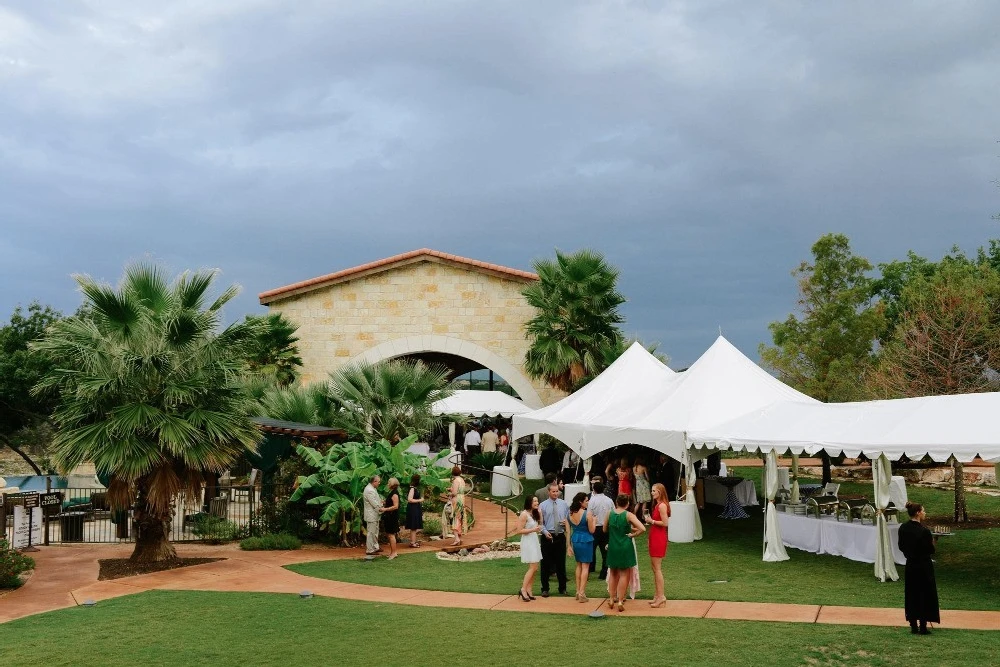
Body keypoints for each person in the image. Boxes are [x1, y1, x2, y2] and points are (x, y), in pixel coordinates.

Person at [898, 502, 941, 634]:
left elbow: (901, 546)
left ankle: (913, 624)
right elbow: (930, 549)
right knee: (925, 593)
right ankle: (923, 625)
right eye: (923, 510)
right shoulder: (924, 531)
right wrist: (935, 540)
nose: (925, 513)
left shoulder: (903, 528)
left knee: (912, 593)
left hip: (911, 565)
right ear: (918, 513)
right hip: (923, 566)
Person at [606, 493, 645, 612]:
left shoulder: (609, 513)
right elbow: (642, 528)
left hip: (613, 545)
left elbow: (604, 528)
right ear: (627, 504)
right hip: (625, 546)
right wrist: (633, 534)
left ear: (616, 502)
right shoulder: (629, 515)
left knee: (613, 573)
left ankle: (611, 598)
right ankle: (620, 600)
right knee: (624, 574)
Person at [538, 482, 570, 597]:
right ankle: (545, 589)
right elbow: (540, 523)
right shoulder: (542, 505)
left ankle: (563, 588)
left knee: (561, 564)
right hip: (547, 536)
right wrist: (545, 532)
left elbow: (568, 519)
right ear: (549, 492)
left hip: (560, 536)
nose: (556, 493)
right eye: (553, 491)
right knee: (545, 564)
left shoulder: (564, 504)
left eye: (557, 491)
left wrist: (565, 523)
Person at [644, 483, 670, 607]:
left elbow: (665, 523)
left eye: (654, 491)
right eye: (652, 490)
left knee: (657, 568)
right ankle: (657, 595)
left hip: (659, 538)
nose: (652, 492)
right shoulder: (658, 505)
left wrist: (651, 521)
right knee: (654, 568)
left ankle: (661, 596)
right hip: (655, 537)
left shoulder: (662, 506)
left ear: (660, 492)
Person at [568, 492, 596, 602]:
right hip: (586, 540)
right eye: (586, 500)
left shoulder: (569, 514)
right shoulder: (587, 514)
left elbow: (568, 531)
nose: (588, 502)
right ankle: (582, 593)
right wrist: (594, 521)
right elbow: (592, 530)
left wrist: (568, 546)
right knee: (586, 567)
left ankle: (577, 591)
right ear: (581, 502)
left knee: (578, 565)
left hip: (575, 540)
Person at [587, 479, 615, 580]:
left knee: (591, 550)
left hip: (595, 527)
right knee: (605, 551)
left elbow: (589, 515)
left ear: (594, 489)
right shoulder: (609, 500)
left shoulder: (592, 501)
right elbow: (613, 513)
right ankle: (604, 572)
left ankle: (589, 569)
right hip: (606, 527)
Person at [517, 496, 543, 601]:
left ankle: (529, 589)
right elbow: (519, 530)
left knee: (535, 568)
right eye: (535, 501)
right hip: (528, 541)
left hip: (534, 540)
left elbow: (540, 524)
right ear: (530, 502)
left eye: (537, 501)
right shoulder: (524, 514)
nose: (537, 502)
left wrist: (540, 513)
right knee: (533, 567)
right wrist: (533, 530)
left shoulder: (534, 513)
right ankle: (523, 589)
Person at [362, 474, 383, 556]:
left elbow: (376, 500)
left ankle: (375, 547)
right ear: (374, 481)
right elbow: (374, 504)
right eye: (378, 482)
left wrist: (381, 503)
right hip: (371, 515)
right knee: (371, 532)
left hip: (375, 514)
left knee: (375, 532)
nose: (379, 483)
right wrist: (382, 509)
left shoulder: (372, 488)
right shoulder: (369, 490)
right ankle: (370, 549)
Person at [382, 478, 401, 560]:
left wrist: (385, 509)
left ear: (392, 484)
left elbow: (396, 506)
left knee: (391, 535)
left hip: (392, 516)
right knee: (389, 535)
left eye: (389, 482)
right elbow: (391, 502)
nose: (388, 484)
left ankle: (394, 552)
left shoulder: (395, 494)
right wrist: (385, 502)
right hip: (389, 516)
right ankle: (392, 552)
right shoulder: (392, 493)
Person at [449, 466, 466, 546]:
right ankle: (459, 537)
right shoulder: (462, 480)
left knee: (455, 517)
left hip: (456, 500)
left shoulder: (455, 481)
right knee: (460, 517)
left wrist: (450, 493)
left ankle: (456, 539)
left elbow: (455, 493)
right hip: (462, 498)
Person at [405, 474, 423, 548]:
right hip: (413, 508)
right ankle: (413, 542)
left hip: (415, 508)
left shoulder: (415, 488)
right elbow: (409, 499)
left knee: (414, 526)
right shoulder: (412, 489)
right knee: (413, 525)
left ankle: (413, 541)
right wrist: (420, 500)